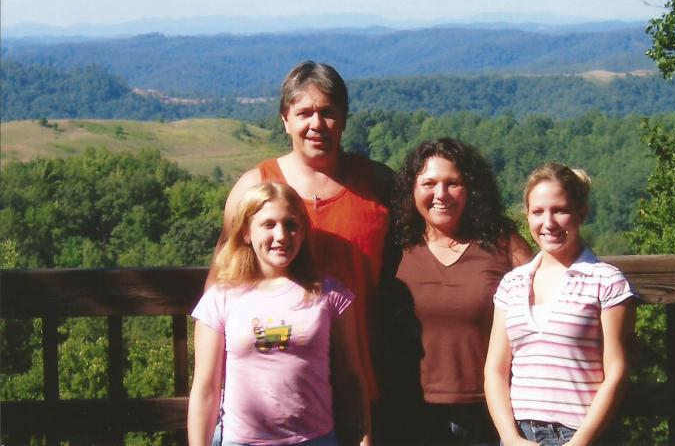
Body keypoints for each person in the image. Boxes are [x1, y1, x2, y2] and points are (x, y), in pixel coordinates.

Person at [205, 61, 394, 409]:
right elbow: (221, 283)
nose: (316, 124)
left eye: (327, 112)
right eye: (304, 112)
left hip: (365, 380)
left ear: (345, 117)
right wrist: (214, 381)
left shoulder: (379, 185)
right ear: (285, 120)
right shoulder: (255, 187)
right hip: (276, 393)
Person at [188, 182, 370, 446]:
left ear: (303, 232)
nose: (282, 235)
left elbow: (351, 378)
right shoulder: (221, 298)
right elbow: (205, 390)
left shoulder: (331, 295)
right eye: (268, 225)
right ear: (247, 233)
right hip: (241, 441)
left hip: (315, 440)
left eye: (291, 225)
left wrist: (364, 440)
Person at [386, 138, 533, 445]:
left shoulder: (502, 244)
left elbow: (545, 298)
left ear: (471, 190)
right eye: (429, 183)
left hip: (490, 414)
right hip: (410, 412)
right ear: (412, 189)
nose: (441, 194)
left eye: (453, 183)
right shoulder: (394, 248)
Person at [484, 163, 636, 446]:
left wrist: (579, 442)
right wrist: (509, 437)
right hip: (519, 435)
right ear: (527, 215)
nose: (548, 223)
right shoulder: (512, 283)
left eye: (560, 210)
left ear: (581, 213)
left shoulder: (606, 281)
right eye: (538, 212)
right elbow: (495, 368)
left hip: (581, 434)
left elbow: (617, 371)